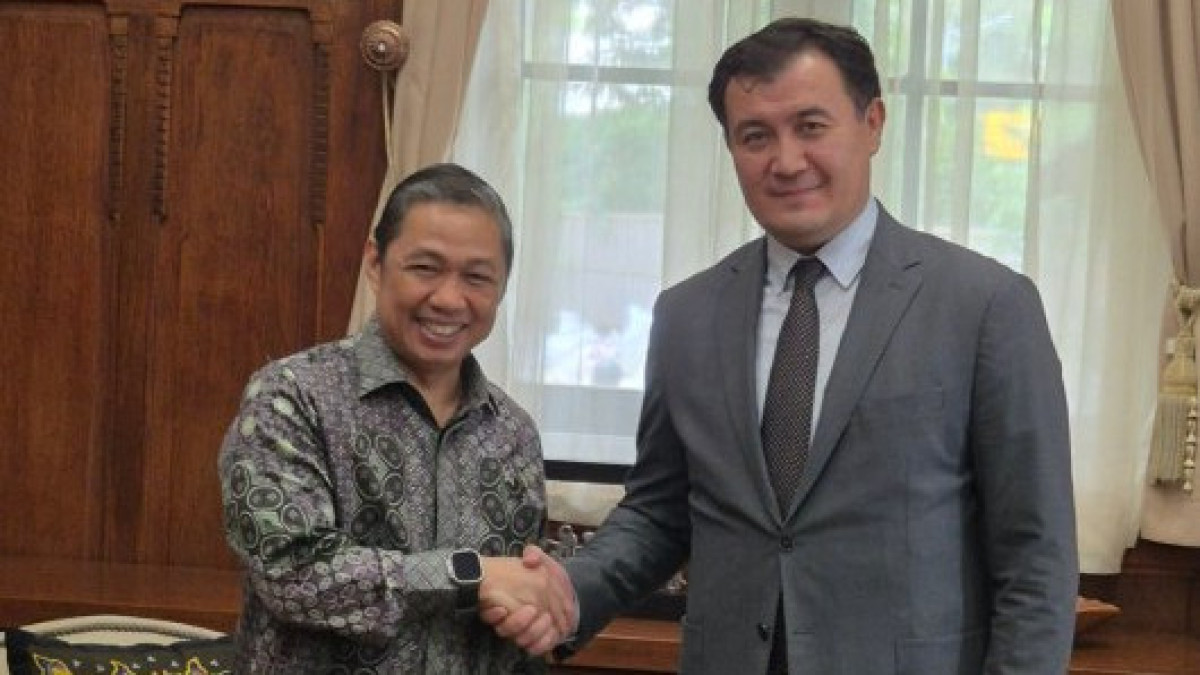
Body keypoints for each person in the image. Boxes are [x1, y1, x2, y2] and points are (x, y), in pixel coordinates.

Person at [487, 17, 1078, 674]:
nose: (787, 161)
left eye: (811, 126)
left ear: (873, 123)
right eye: (755, 136)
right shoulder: (687, 314)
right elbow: (660, 511)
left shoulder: (986, 305)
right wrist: (571, 593)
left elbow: (1036, 558)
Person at [218, 162, 572, 673]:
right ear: (375, 263)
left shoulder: (513, 433)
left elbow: (516, 596)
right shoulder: (292, 397)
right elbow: (291, 573)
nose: (448, 299)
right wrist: (469, 576)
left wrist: (535, 615)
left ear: (501, 288)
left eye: (477, 277)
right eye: (425, 268)